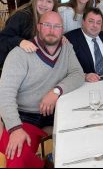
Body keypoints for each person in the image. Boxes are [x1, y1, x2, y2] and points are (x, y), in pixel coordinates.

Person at [0, 11, 85, 167]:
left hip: (58, 111)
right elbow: (5, 94)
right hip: (26, 116)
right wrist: (15, 128)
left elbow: (78, 74)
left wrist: (56, 91)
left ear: (62, 29)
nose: (52, 30)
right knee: (16, 155)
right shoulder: (19, 54)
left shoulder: (66, 47)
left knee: (85, 139)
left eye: (57, 26)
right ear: (39, 27)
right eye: (47, 25)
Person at [0, 0, 58, 68]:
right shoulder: (21, 16)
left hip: (34, 64)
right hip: (13, 65)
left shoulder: (51, 18)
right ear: (34, 0)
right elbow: (3, 39)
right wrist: (20, 42)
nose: (44, 4)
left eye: (49, 1)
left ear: (54, 5)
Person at [65, 7, 103, 82]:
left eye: (98, 22)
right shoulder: (70, 39)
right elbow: (65, 68)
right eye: (91, 21)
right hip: (88, 84)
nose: (95, 25)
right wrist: (84, 76)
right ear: (83, 22)